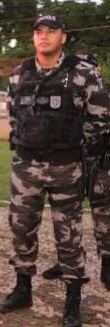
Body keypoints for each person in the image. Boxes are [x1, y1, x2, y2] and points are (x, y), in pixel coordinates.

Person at [0, 15, 109, 327]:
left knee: (69, 234)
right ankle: (23, 290)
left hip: (66, 165)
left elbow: (99, 118)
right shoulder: (19, 74)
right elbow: (14, 117)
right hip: (26, 166)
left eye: (51, 31)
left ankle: (73, 300)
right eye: (38, 32)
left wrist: (74, 148)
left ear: (64, 37)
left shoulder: (83, 73)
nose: (43, 37)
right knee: (21, 228)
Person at [41, 53, 110, 290]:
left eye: (88, 68)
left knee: (104, 213)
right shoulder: (69, 95)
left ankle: (107, 264)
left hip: (100, 163)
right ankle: (65, 262)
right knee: (67, 217)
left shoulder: (105, 93)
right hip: (72, 162)